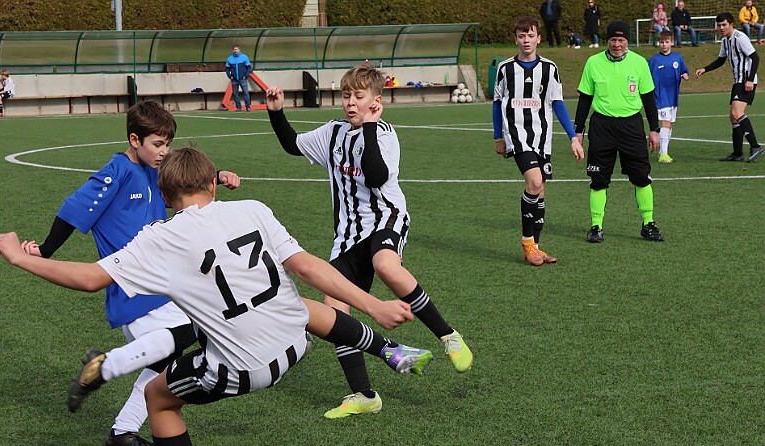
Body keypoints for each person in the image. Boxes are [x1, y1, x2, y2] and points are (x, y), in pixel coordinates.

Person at [0, 146, 434, 446]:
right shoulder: (253, 209)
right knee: (296, 303)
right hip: (296, 346)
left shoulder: (159, 238)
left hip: (242, 370)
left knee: (157, 396)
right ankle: (388, 349)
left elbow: (90, 279)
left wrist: (16, 256)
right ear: (212, 185)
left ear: (164, 197)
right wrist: (373, 305)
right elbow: (308, 267)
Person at [21, 101, 237, 446]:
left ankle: (122, 431)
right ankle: (105, 365)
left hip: (161, 281)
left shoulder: (153, 169)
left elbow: (183, 181)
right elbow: (73, 210)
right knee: (198, 327)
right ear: (135, 140)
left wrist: (220, 174)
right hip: (133, 283)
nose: (164, 152)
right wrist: (44, 250)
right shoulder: (116, 171)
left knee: (166, 360)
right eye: (157, 144)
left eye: (168, 144)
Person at [266, 65, 473, 418]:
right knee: (336, 312)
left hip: (385, 219)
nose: (350, 102)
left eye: (358, 97)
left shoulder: (385, 134)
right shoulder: (333, 132)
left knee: (385, 264)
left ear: (376, 102)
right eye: (346, 96)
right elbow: (292, 144)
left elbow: (377, 177)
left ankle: (448, 336)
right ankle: (364, 395)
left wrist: (372, 127)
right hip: (348, 234)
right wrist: (276, 112)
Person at [493, 16, 585, 266]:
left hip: (542, 138)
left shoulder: (549, 68)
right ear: (516, 39)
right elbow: (497, 103)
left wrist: (573, 137)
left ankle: (536, 246)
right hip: (517, 136)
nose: (526, 40)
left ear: (538, 38)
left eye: (530, 35)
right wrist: (498, 136)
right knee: (533, 182)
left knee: (541, 190)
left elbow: (557, 103)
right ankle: (527, 245)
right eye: (521, 36)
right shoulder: (505, 69)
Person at [574, 20, 665, 244]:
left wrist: (654, 129)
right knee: (598, 179)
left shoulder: (639, 63)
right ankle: (596, 227)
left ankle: (648, 224)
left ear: (627, 41)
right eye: (613, 40)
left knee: (641, 177)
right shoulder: (593, 62)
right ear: (607, 41)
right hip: (602, 126)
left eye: (621, 40)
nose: (617, 44)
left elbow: (648, 98)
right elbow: (585, 99)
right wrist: (578, 130)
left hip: (631, 126)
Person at [696, 12, 764, 162]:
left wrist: (750, 80)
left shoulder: (740, 38)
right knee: (733, 117)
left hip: (745, 81)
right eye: (719, 25)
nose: (721, 28)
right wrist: (705, 69)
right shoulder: (725, 41)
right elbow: (721, 60)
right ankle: (737, 153)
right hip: (737, 81)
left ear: (731, 24)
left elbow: (755, 57)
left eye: (724, 25)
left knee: (736, 112)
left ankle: (755, 146)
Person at [649, 30, 690, 163]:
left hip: (673, 96)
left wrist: (685, 75)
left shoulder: (678, 58)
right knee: (665, 122)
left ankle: (662, 152)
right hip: (660, 96)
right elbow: (646, 77)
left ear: (672, 42)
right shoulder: (654, 60)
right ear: (658, 43)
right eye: (662, 42)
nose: (664, 45)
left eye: (667, 42)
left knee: (670, 124)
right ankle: (664, 154)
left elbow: (684, 70)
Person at [225, 45, 252, 112]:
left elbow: (248, 67)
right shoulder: (229, 58)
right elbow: (227, 68)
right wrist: (229, 76)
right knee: (235, 94)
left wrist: (246, 76)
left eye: (237, 49)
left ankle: (248, 107)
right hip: (234, 79)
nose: (235, 51)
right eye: (234, 49)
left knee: (245, 93)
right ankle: (239, 107)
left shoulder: (244, 57)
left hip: (242, 78)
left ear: (239, 50)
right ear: (233, 50)